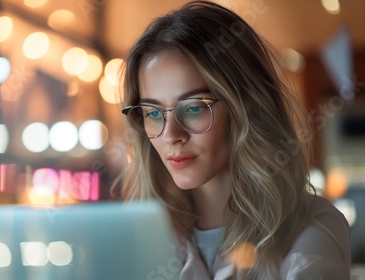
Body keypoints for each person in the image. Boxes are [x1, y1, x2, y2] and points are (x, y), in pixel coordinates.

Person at [117, 1, 351, 279]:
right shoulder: (137, 238)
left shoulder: (312, 228)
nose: (171, 136)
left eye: (193, 107)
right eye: (153, 112)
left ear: (244, 107)